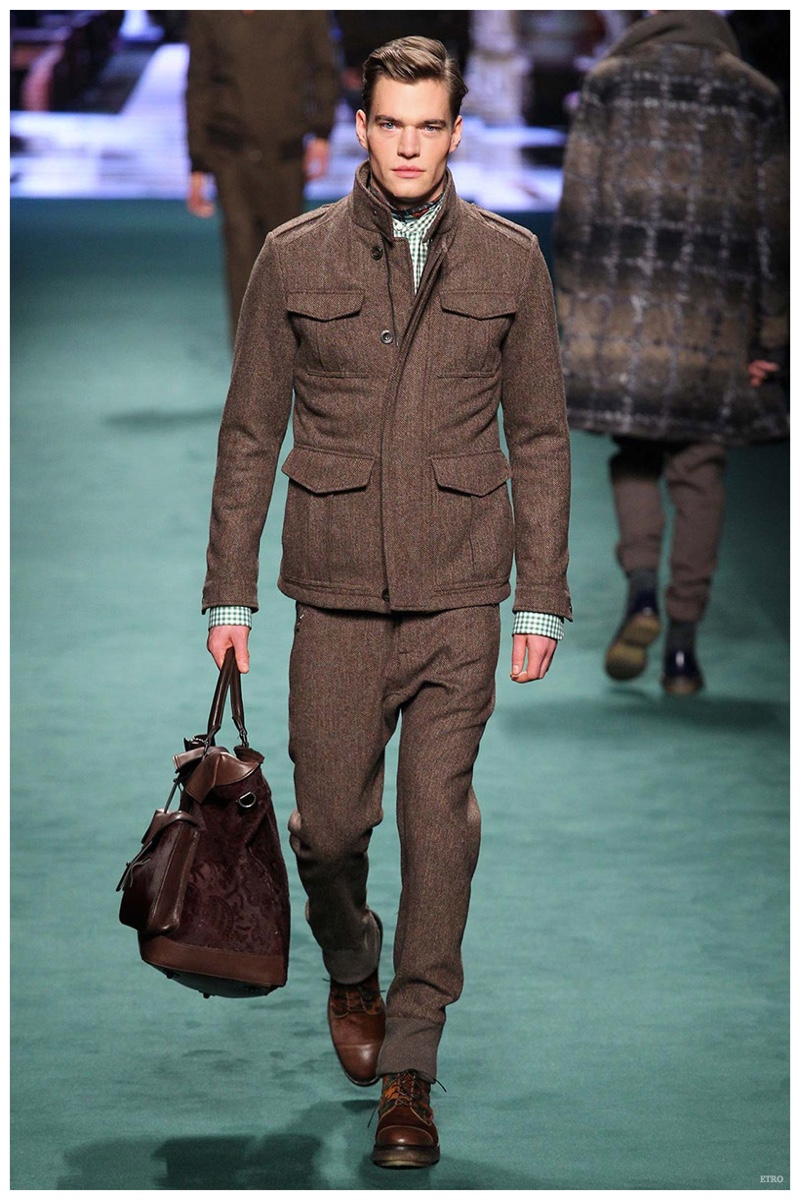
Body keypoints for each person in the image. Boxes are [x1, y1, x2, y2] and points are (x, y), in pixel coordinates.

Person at [202, 36, 571, 1168]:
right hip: (336, 589)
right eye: (390, 124)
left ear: (455, 132)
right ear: (360, 128)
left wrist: (540, 597)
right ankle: (350, 958)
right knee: (325, 833)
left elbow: (541, 433)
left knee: (437, 828)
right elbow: (250, 430)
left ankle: (410, 1067)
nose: (409, 146)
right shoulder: (292, 256)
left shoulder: (509, 261)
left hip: (461, 583)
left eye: (429, 126)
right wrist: (229, 592)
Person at [554, 10, 788, 695]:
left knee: (635, 454)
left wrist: (571, 314)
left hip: (623, 309)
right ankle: (683, 648)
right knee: (700, 469)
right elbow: (775, 224)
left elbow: (578, 211)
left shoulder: (610, 82)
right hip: (717, 314)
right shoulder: (754, 94)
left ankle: (642, 592)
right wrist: (772, 334)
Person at [185, 11, 339, 341]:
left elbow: (324, 67)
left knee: (283, 253)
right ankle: (247, 355)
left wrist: (322, 132)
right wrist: (198, 162)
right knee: (241, 249)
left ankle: (282, 350)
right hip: (230, 150)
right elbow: (199, 82)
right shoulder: (208, 12)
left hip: (285, 152)